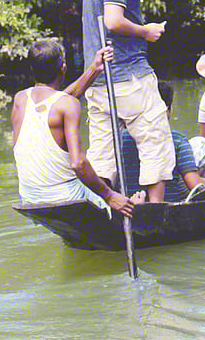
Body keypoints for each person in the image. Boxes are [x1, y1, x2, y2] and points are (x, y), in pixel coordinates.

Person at [81, 0, 175, 203]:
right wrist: (146, 31)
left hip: (98, 80)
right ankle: (157, 213)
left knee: (102, 152)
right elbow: (112, 21)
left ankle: (103, 205)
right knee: (156, 142)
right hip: (128, 75)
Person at [11, 40, 138, 217]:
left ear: (32, 70)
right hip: (66, 196)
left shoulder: (20, 99)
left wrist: (94, 68)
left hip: (30, 197)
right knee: (116, 196)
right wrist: (110, 196)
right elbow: (78, 163)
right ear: (63, 68)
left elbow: (58, 102)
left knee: (99, 179)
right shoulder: (67, 104)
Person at [117, 83, 204, 203]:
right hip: (168, 206)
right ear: (167, 110)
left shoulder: (118, 141)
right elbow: (195, 186)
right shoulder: (177, 140)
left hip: (126, 204)